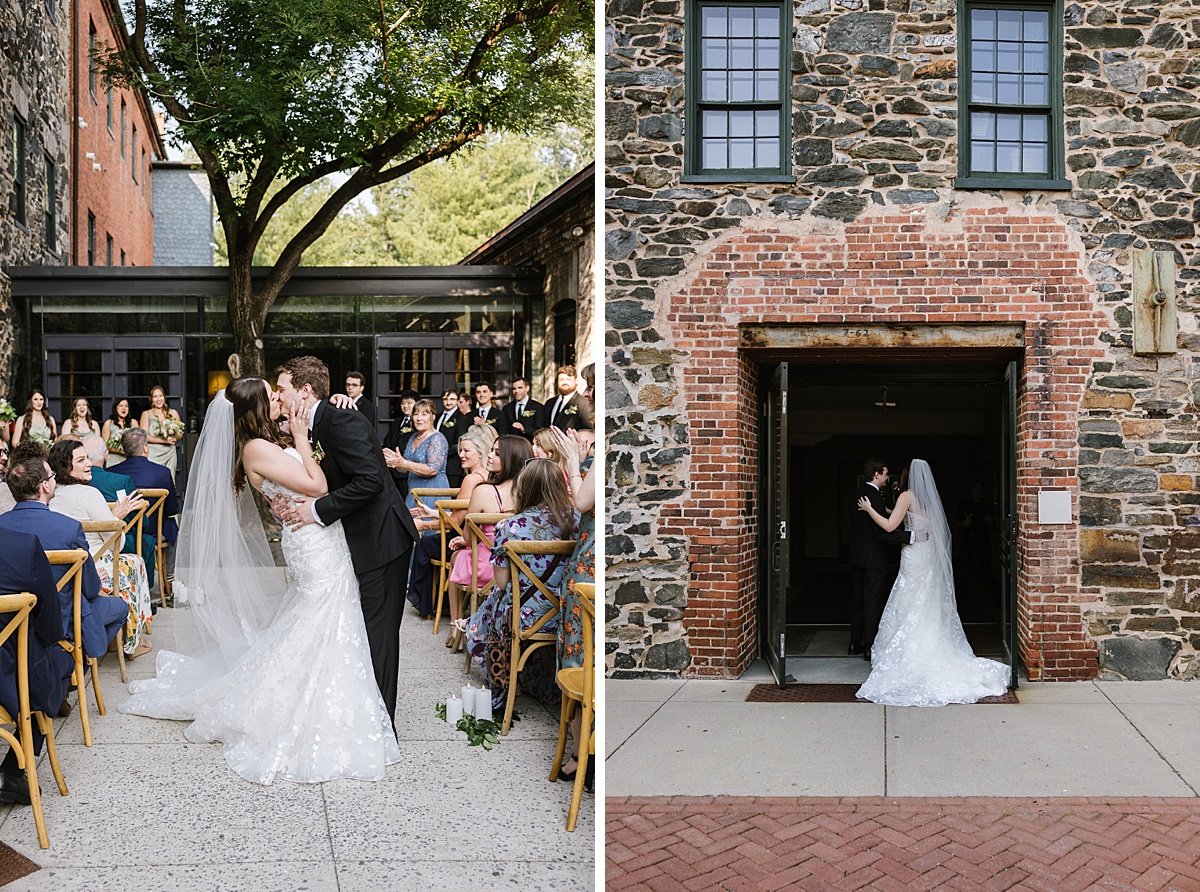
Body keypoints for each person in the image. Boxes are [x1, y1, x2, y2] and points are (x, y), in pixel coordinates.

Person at [120, 376, 402, 783]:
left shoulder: (264, 441)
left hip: (318, 537)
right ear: (255, 408)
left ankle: (330, 697)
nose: (279, 400)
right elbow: (318, 484)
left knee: (321, 623)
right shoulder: (256, 449)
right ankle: (304, 706)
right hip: (313, 543)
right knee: (322, 620)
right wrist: (303, 440)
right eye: (272, 396)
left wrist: (332, 405)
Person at [272, 356, 417, 727]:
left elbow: (369, 480)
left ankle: (383, 727)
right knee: (364, 632)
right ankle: (365, 717)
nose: (278, 395)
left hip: (381, 541)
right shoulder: (318, 422)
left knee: (379, 635)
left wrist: (317, 509)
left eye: (282, 388)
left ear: (304, 390)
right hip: (359, 539)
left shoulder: (340, 419)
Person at [855, 459, 1009, 706]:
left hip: (913, 555)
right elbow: (908, 518)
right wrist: (886, 510)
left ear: (908, 476)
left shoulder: (906, 496)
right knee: (926, 600)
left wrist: (869, 509)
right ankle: (932, 645)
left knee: (909, 597)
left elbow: (890, 525)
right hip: (927, 554)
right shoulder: (929, 500)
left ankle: (910, 652)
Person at [463, 456, 578, 711]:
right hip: (565, 610)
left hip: (526, 615)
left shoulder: (511, 526)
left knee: (496, 599)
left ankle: (475, 634)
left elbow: (503, 582)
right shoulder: (577, 521)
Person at [0, 455, 128, 660]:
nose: (54, 481)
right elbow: (90, 588)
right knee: (121, 608)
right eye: (52, 476)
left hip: (10, 621)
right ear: (44, 486)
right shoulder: (68, 528)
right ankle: (78, 660)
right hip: (61, 622)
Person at [46, 440, 153, 658]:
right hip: (96, 568)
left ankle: (119, 636)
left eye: (86, 458)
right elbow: (117, 543)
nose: (88, 464)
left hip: (67, 569)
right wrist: (117, 518)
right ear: (66, 467)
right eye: (81, 460)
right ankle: (131, 641)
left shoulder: (51, 495)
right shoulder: (90, 494)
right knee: (135, 562)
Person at [0, 529, 76, 806]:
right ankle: (12, 771)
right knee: (58, 662)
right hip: (10, 679)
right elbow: (50, 626)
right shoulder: (21, 545)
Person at [405, 425, 497, 625]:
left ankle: (430, 604)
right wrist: (431, 513)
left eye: (466, 451)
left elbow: (455, 522)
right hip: (480, 539)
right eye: (460, 451)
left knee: (425, 545)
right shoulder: (490, 476)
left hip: (468, 540)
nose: (461, 455)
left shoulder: (472, 479)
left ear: (480, 453)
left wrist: (424, 525)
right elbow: (461, 513)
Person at [446, 435, 532, 648]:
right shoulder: (528, 492)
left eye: (496, 453)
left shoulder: (484, 490)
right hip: (521, 566)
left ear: (511, 459)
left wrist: (465, 542)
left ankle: (455, 624)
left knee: (457, 556)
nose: (490, 456)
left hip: (488, 566)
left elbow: (468, 536)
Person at [546, 426, 595, 787]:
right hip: (589, 557)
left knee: (579, 656)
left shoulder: (603, 452)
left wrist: (575, 461)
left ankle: (582, 756)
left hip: (588, 563)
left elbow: (581, 503)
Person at [849, 459, 919, 660]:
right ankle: (870, 646)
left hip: (856, 555)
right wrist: (909, 536)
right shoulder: (875, 498)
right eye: (886, 474)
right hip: (874, 558)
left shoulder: (856, 494)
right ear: (877, 474)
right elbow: (882, 533)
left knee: (857, 600)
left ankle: (855, 642)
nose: (888, 479)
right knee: (872, 601)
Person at [109, 427, 180, 599]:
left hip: (126, 531)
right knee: (172, 525)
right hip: (154, 531)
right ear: (145, 447)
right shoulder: (162, 472)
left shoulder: (111, 472)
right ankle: (169, 578)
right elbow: (172, 509)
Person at [384, 399, 448, 517]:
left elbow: (432, 469)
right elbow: (405, 468)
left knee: (429, 530)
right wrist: (396, 463)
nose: (419, 418)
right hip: (413, 490)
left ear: (433, 417)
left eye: (424, 414)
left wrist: (403, 462)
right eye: (416, 414)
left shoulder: (437, 438)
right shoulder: (413, 437)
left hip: (432, 490)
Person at [381, 389, 419, 501]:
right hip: (392, 469)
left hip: (407, 470)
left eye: (409, 403)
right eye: (403, 403)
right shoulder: (397, 422)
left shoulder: (418, 422)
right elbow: (388, 441)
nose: (405, 406)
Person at [139, 385, 183, 480]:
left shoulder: (173, 413)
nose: (158, 399)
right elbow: (144, 436)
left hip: (169, 453)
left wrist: (174, 436)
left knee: (169, 480)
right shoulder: (146, 414)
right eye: (155, 396)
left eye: (160, 396)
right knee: (152, 479)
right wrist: (164, 441)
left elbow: (180, 434)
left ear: (164, 397)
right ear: (151, 399)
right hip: (152, 453)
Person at [541, 364, 593, 432]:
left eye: (568, 379)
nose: (564, 382)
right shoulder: (549, 403)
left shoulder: (584, 403)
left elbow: (588, 430)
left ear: (576, 381)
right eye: (561, 379)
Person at [435, 390, 468, 488]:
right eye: (445, 399)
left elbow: (460, 442)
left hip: (452, 466)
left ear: (458, 401)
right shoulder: (437, 417)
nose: (448, 402)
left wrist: (442, 453)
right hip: (436, 465)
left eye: (452, 399)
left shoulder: (462, 418)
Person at [101, 397, 135, 464]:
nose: (124, 408)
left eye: (126, 406)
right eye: (121, 406)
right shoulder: (108, 423)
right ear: (115, 408)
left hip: (130, 459)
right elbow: (105, 445)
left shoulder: (134, 423)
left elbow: (138, 442)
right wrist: (121, 451)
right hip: (113, 460)